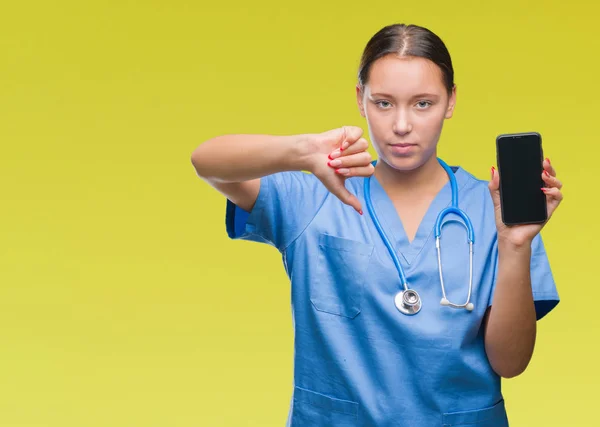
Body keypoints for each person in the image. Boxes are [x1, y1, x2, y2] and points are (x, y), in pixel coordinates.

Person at [191, 23, 563, 427]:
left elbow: (510, 363)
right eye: (383, 103)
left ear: (451, 101)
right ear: (360, 99)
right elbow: (207, 162)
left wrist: (514, 245)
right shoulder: (316, 195)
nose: (401, 125)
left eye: (423, 104)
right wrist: (303, 150)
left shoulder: (492, 209)